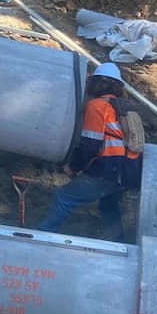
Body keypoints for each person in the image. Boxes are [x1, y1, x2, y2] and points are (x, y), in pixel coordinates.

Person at [38, 62, 143, 240]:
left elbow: (90, 144)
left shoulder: (97, 106)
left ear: (95, 84)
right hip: (130, 171)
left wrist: (73, 166)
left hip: (109, 168)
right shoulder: (124, 107)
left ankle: (43, 236)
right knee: (108, 204)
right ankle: (118, 243)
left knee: (64, 198)